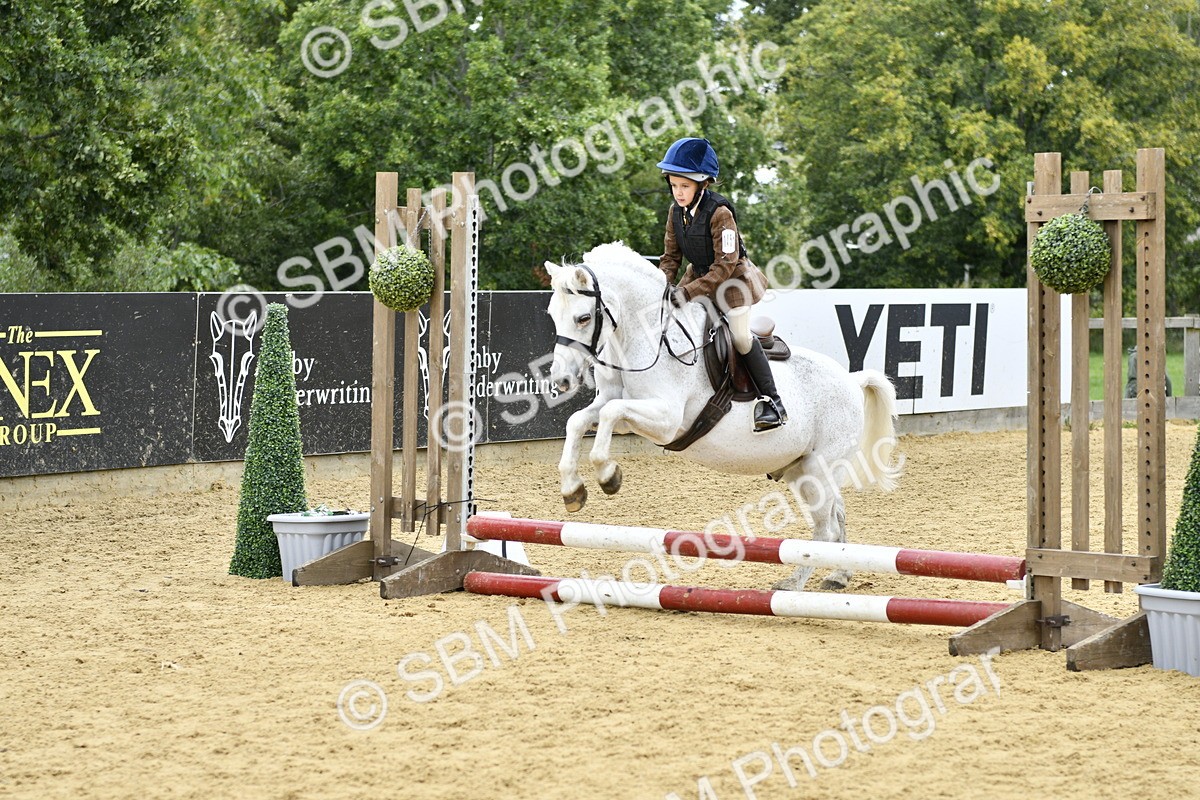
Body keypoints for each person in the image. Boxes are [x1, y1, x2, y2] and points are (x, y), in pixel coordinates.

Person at [655, 136, 787, 433]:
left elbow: (725, 265)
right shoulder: (675, 212)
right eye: (674, 185)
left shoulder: (720, 213)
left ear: (702, 184)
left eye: (684, 186)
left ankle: (773, 402)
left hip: (731, 283)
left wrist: (686, 292)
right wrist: (662, 286)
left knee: (740, 337)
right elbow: (670, 257)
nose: (678, 192)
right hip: (699, 277)